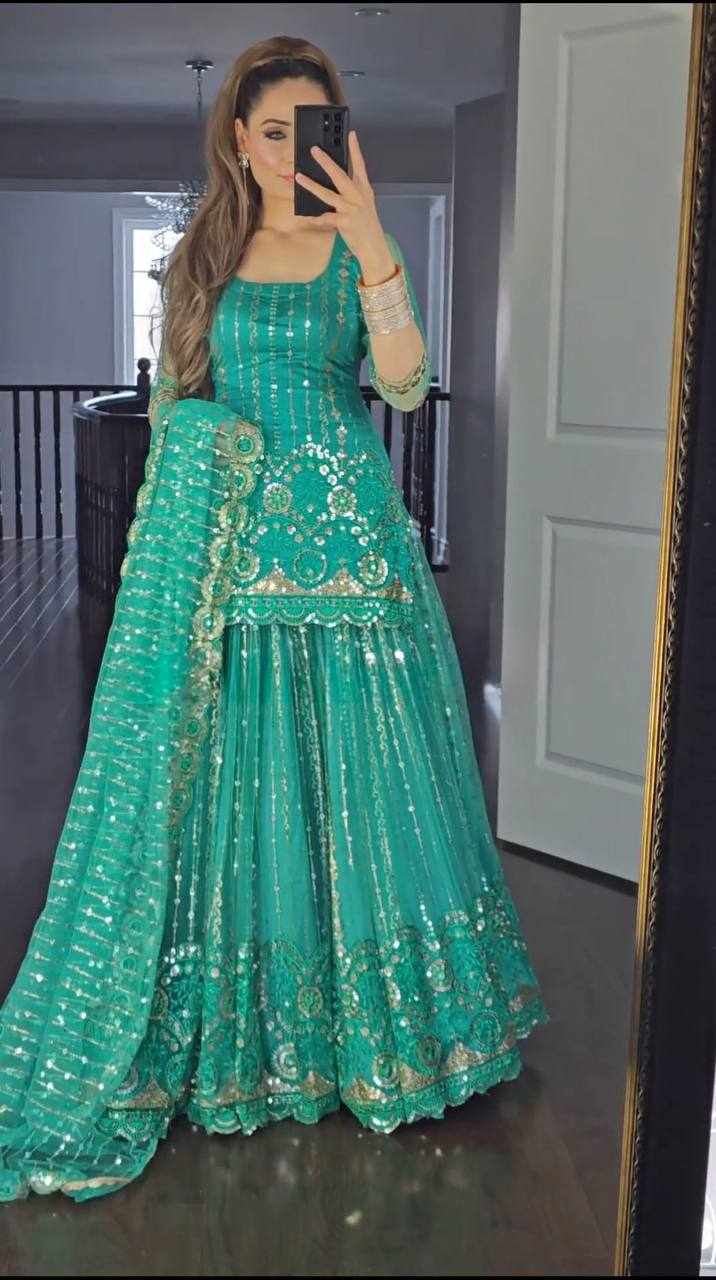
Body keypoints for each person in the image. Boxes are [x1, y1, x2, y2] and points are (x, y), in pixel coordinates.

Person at [0, 36, 549, 1204]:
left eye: (312, 125)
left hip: (352, 552)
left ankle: (390, 1030)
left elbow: (403, 384)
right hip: (234, 555)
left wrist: (372, 240)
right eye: (269, 130)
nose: (289, 147)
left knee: (367, 780)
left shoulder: (356, 248)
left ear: (336, 133)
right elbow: (172, 406)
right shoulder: (203, 255)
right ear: (238, 141)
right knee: (245, 779)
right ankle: (258, 1030)